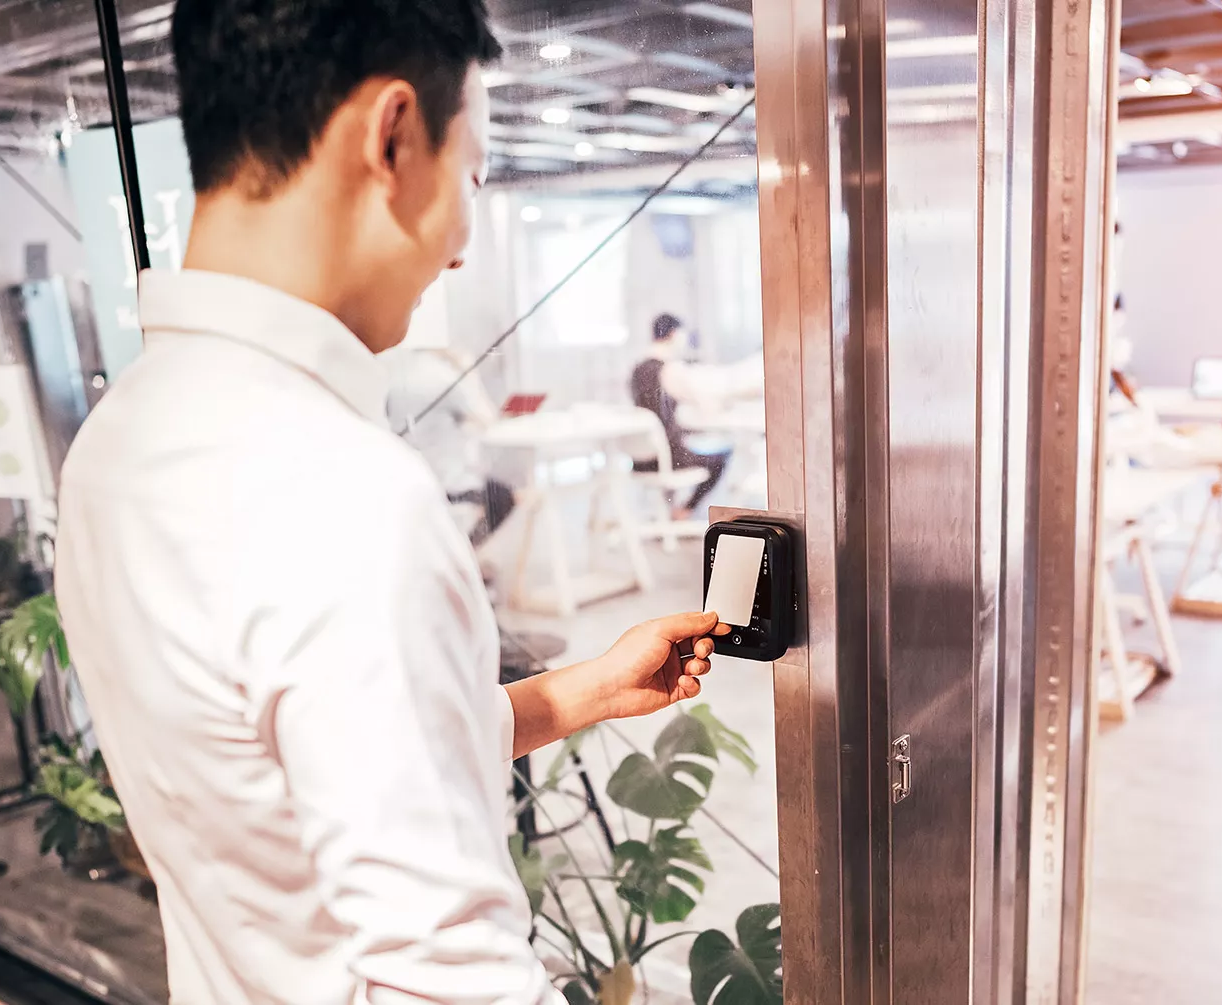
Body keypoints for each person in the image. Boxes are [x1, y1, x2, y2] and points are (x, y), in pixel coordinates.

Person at [52, 3, 726, 1003]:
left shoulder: (119, 437)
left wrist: (586, 690)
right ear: (393, 133)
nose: (460, 244)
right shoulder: (344, 498)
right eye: (475, 175)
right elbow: (451, 984)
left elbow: (293, 787)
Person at [384, 343, 514, 543]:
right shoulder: (445, 377)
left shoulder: (394, 373)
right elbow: (487, 421)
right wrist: (470, 374)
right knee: (506, 498)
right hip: (453, 488)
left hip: (410, 485)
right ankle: (474, 562)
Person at [630, 312, 732, 519]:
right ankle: (685, 510)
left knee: (687, 442)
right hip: (667, 457)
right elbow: (705, 404)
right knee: (722, 455)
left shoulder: (637, 370)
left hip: (642, 457)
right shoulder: (670, 369)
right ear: (675, 335)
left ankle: (672, 510)